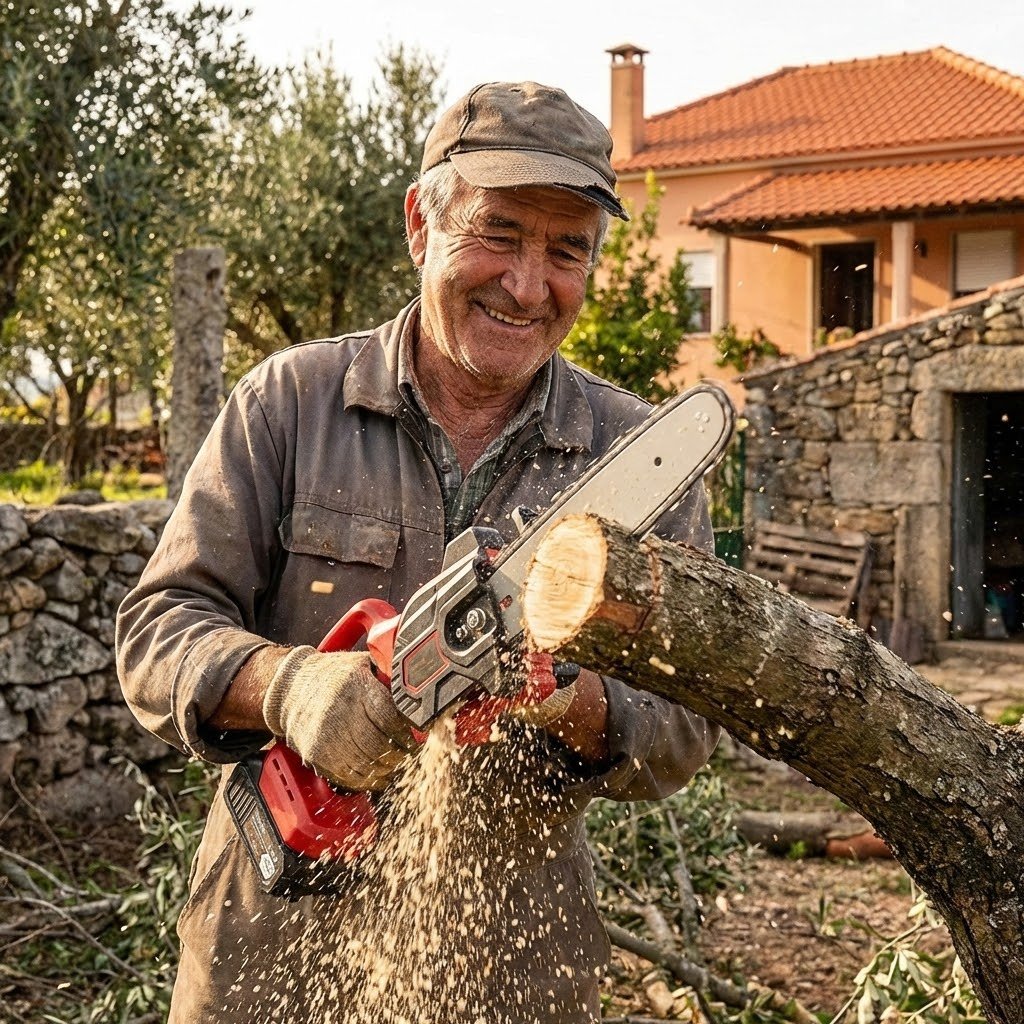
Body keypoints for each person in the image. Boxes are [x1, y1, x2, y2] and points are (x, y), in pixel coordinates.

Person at [116, 80, 720, 1024]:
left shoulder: (633, 452)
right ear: (419, 224)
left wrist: (565, 697)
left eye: (567, 251)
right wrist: (291, 687)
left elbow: (682, 730)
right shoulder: (291, 403)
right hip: (268, 940)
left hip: (513, 958)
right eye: (499, 234)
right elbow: (158, 632)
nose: (528, 285)